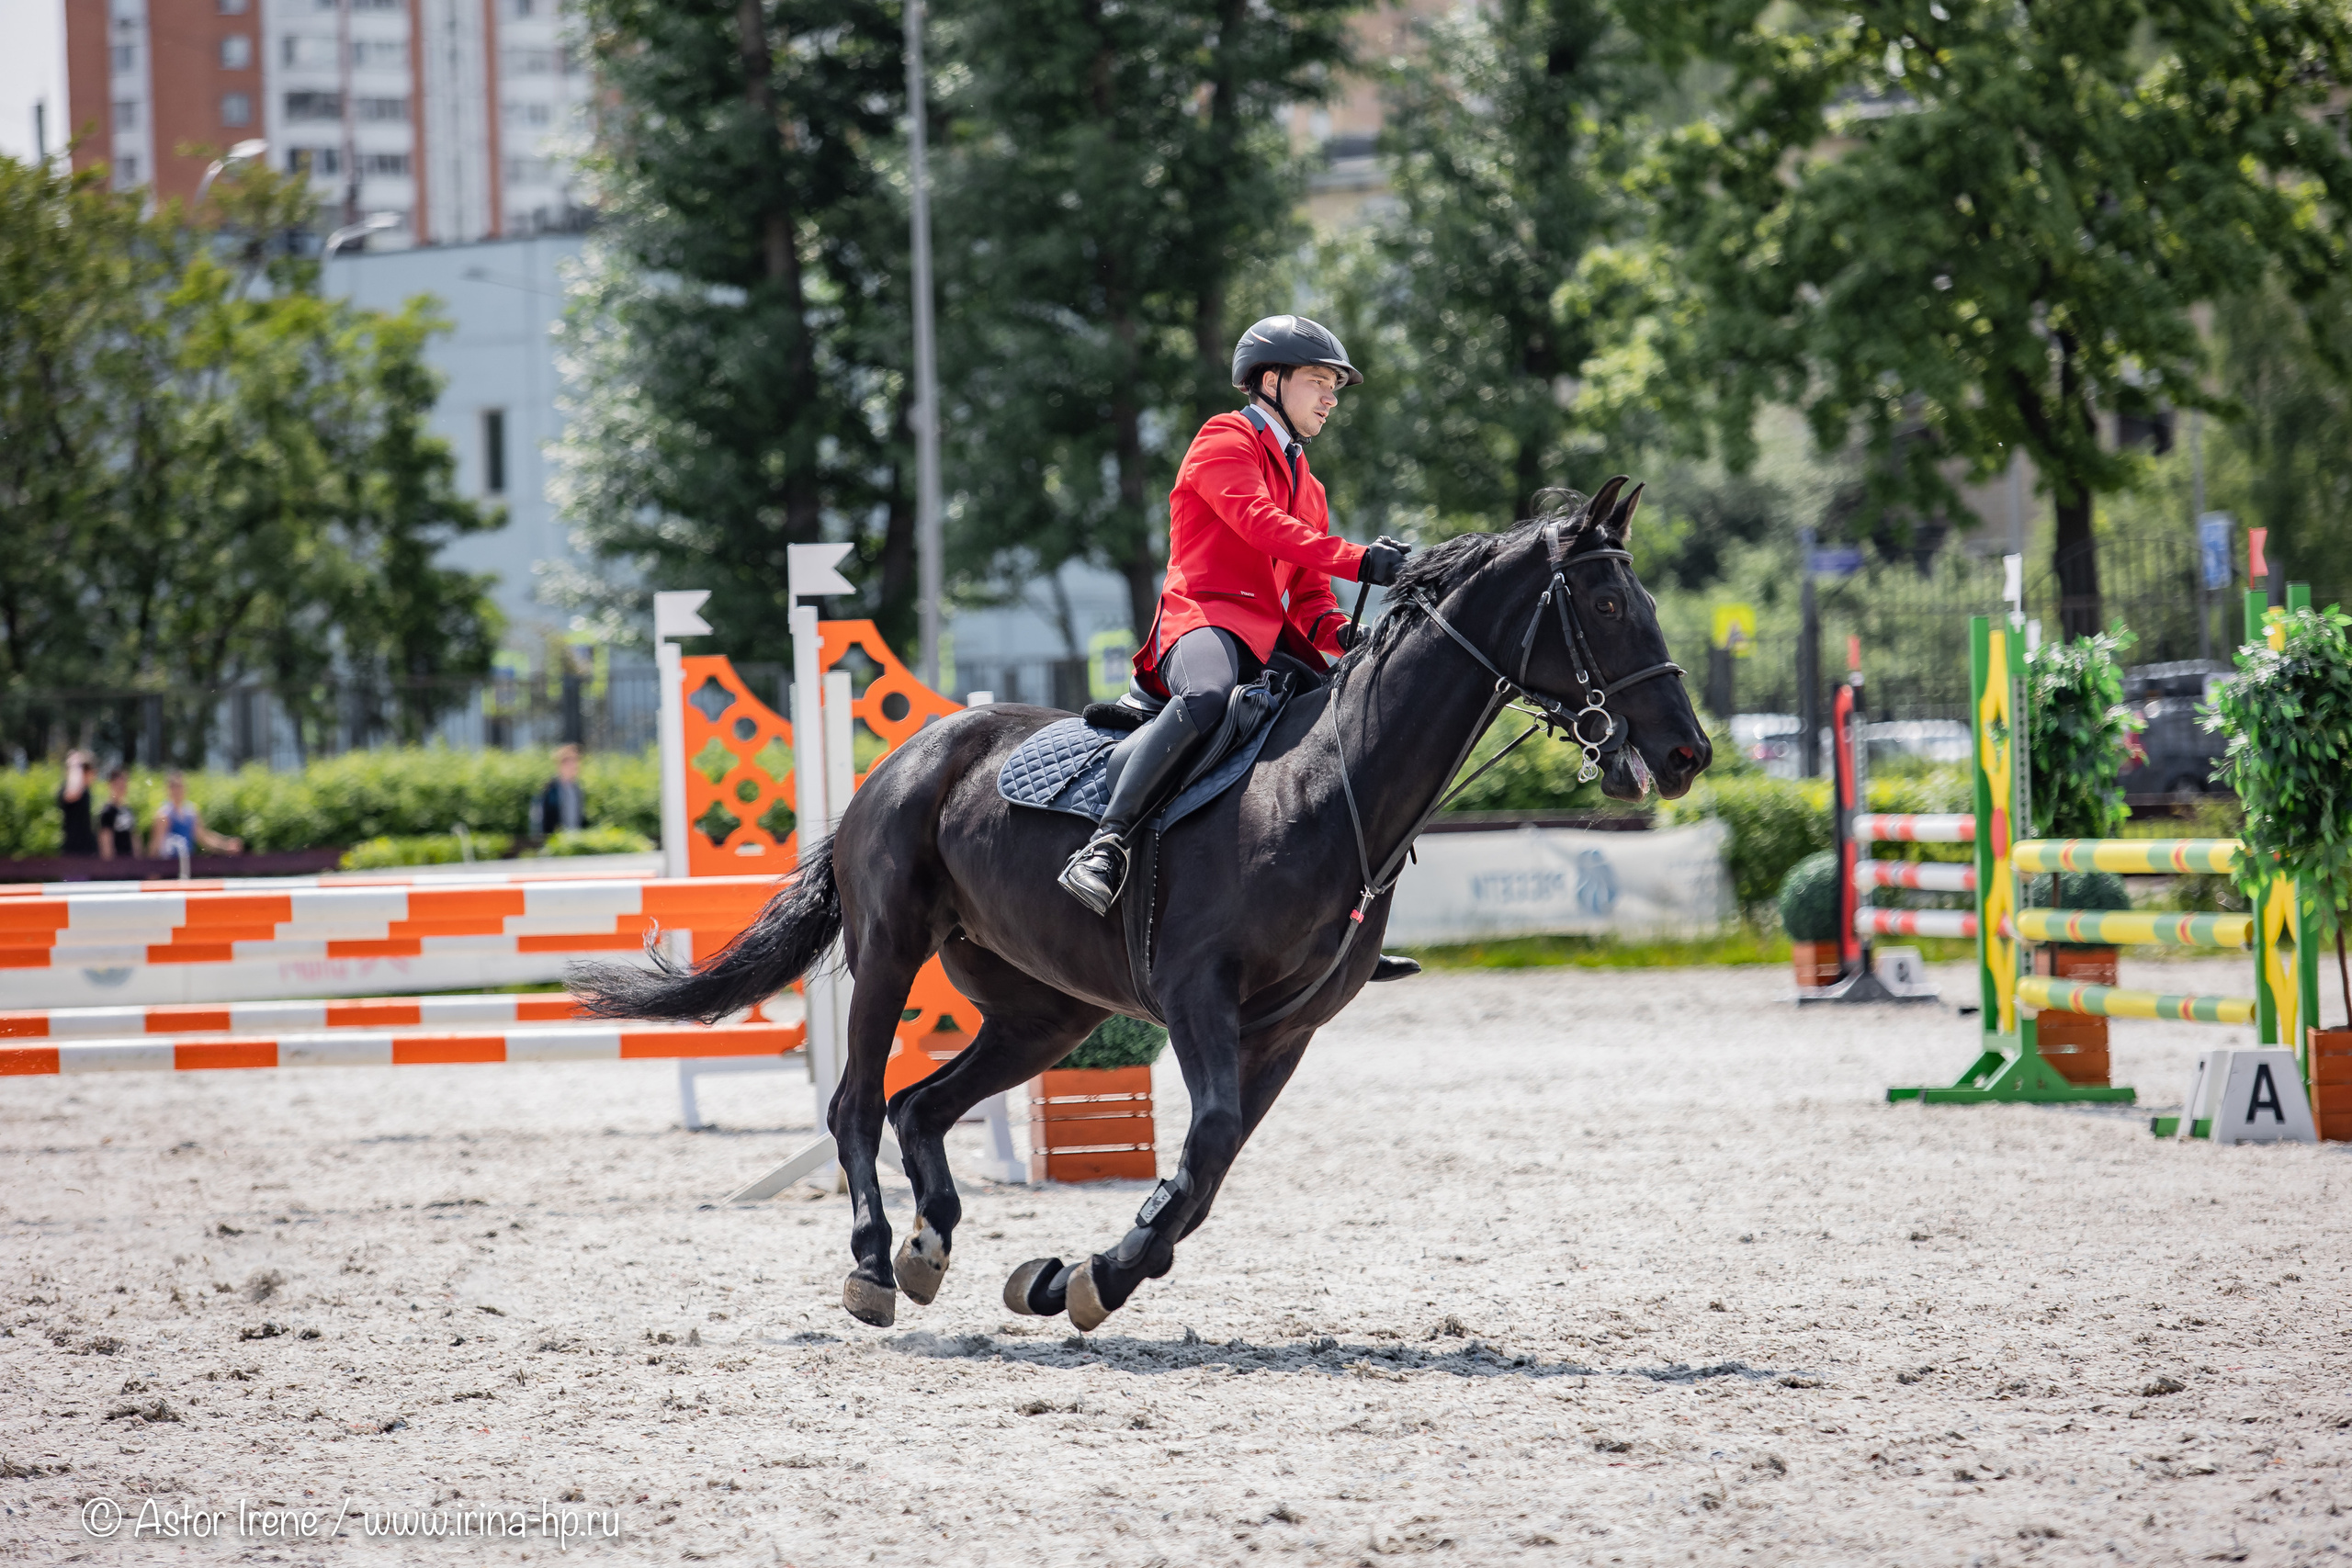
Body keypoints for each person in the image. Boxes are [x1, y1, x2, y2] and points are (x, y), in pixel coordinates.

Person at [1057, 315, 1419, 989]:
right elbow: (1260, 525)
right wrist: (1359, 558)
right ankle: (1105, 845)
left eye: (1335, 386)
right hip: (1203, 619)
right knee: (1206, 697)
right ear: (1271, 381)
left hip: (1271, 639)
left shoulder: (1308, 483)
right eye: (1319, 381)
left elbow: (1310, 598)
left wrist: (1349, 639)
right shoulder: (1224, 439)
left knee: (1356, 729)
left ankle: (1344, 924)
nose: (1330, 397)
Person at [150, 771, 243, 861]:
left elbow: (203, 837)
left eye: (180, 786)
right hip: (167, 866)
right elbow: (156, 845)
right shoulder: (163, 815)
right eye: (174, 787)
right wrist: (152, 870)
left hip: (186, 865)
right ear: (168, 789)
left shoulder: (191, 812)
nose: (177, 791)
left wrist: (226, 845)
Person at [535, 744, 589, 837]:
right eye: (571, 762)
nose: (575, 766)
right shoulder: (550, 788)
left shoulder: (577, 788)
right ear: (561, 764)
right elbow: (541, 818)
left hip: (574, 839)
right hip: (555, 840)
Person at [56, 750, 98, 858]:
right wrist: (75, 764)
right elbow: (73, 792)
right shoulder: (65, 790)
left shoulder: (86, 792)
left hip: (88, 855)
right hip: (73, 856)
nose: (95, 776)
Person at [96, 767, 141, 861]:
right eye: (118, 785)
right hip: (116, 865)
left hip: (130, 862)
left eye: (124, 785)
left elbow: (134, 837)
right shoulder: (107, 811)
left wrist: (138, 861)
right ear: (110, 785)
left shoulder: (128, 810)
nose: (122, 788)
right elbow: (105, 841)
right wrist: (111, 866)